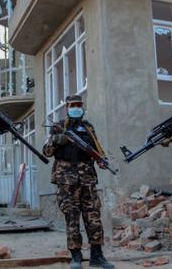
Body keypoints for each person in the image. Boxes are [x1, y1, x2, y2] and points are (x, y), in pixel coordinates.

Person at [43, 95, 114, 269]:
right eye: (73, 105)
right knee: (72, 219)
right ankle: (76, 257)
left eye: (79, 105)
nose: (76, 108)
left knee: (93, 217)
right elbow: (46, 151)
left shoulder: (88, 127)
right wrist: (57, 140)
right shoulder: (58, 127)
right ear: (67, 107)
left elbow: (97, 148)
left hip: (87, 179)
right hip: (66, 180)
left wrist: (102, 160)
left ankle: (97, 256)